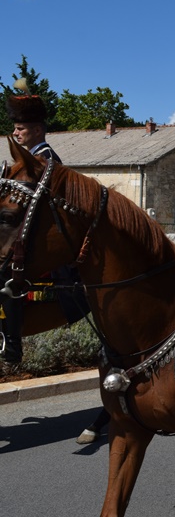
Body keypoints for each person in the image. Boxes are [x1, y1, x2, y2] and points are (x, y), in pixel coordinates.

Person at [1, 88, 87, 363]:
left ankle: (10, 342)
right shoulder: (28, 159)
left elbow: (38, 209)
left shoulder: (46, 160)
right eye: (15, 128)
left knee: (4, 276)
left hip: (44, 238)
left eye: (20, 128)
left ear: (37, 130)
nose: (15, 134)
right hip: (24, 232)